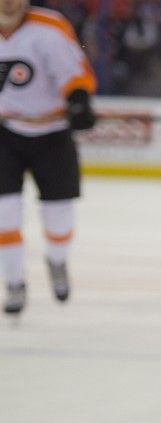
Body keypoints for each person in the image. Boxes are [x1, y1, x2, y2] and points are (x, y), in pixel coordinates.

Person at [0, 0, 96, 315]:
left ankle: (56, 260)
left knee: (59, 216)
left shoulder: (50, 27)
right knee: (4, 213)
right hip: (5, 131)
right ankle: (14, 281)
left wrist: (78, 100)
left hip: (53, 133)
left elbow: (73, 72)